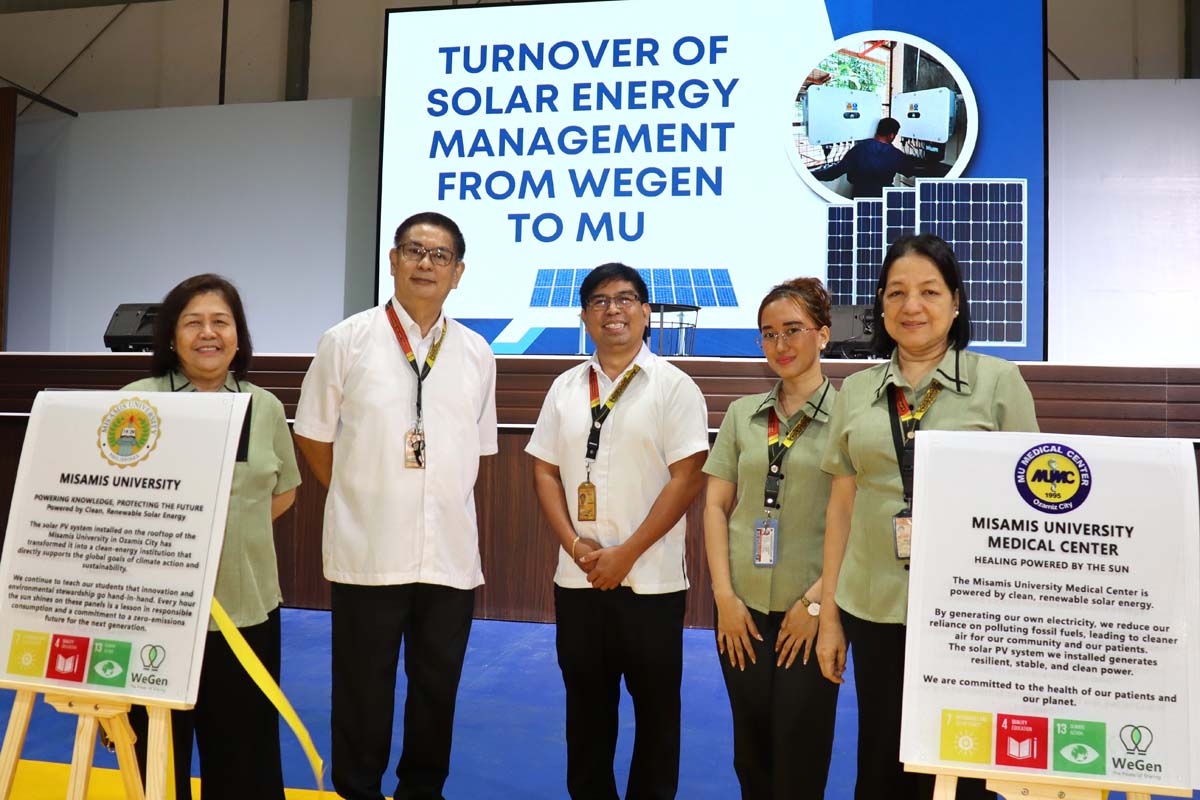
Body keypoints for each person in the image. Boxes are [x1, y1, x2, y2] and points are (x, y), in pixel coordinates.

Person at [814, 234, 1039, 800]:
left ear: (956, 302)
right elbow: (842, 506)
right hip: (874, 605)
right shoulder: (856, 391)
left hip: (970, 612)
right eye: (896, 293)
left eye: (929, 291)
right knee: (882, 759)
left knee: (963, 764)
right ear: (881, 305)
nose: (911, 306)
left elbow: (1030, 508)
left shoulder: (998, 382)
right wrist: (830, 616)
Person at [293, 211, 497, 800]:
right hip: (369, 548)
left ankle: (422, 791)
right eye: (414, 250)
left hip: (448, 554)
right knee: (363, 685)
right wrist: (358, 493)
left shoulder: (476, 351)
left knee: (438, 686)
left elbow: (479, 448)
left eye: (440, 256)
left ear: (458, 272)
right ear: (393, 260)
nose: (426, 264)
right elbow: (313, 434)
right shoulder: (347, 340)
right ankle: (357, 790)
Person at [526, 263, 709, 800]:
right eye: (600, 301)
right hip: (579, 579)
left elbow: (687, 478)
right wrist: (573, 543)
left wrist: (626, 554)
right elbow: (543, 470)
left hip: (651, 582)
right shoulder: (564, 388)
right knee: (586, 713)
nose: (613, 310)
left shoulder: (674, 387)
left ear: (646, 312)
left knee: (657, 717)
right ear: (584, 316)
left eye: (626, 299)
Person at [125, 273, 301, 800]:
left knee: (245, 758)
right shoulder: (137, 402)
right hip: (153, 615)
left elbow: (283, 492)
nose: (208, 333)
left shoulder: (264, 406)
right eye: (193, 322)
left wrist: (224, 536)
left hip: (245, 609)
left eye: (221, 322)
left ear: (238, 336)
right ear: (171, 337)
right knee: (156, 759)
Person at [702, 278, 840, 800]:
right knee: (752, 751)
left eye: (793, 330)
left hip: (811, 611)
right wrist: (724, 598)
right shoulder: (743, 414)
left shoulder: (850, 418)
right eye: (768, 333)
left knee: (800, 754)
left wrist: (817, 603)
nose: (780, 344)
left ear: (823, 334)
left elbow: (858, 522)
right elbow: (715, 507)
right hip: (742, 610)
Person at [812, 117, 920, 198]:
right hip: (883, 199)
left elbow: (833, 173)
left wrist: (812, 174)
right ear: (892, 135)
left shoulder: (858, 149)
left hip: (860, 197)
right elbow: (910, 170)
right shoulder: (895, 154)